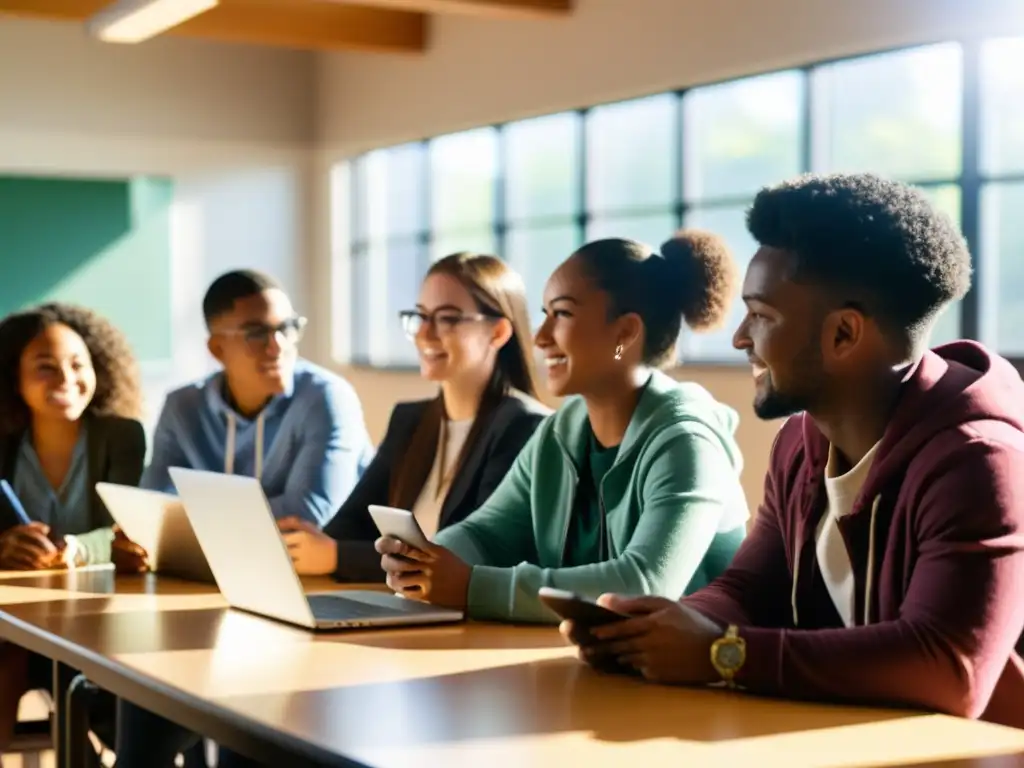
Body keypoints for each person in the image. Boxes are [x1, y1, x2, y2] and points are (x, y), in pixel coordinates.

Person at [565, 173, 1024, 729]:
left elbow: (951, 669)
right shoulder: (799, 443)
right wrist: (653, 629)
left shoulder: (981, 461)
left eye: (761, 315)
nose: (740, 338)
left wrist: (723, 654)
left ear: (844, 335)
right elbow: (750, 588)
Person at [378, 232, 750, 623]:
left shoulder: (687, 442)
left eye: (562, 314)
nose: (539, 338)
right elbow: (485, 534)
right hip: (599, 663)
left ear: (624, 334)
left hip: (694, 676)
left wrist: (470, 586)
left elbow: (644, 584)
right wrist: (428, 561)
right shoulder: (558, 435)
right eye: (544, 314)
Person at [280, 252, 550, 581]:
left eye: (447, 318)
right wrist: (314, 544)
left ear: (497, 333)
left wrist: (336, 557)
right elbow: (348, 528)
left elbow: (475, 557)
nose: (424, 333)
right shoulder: (411, 420)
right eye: (420, 316)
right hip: (400, 607)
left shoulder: (525, 426)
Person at [0, 303, 148, 757]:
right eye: (45, 367)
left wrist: (76, 551)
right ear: (13, 378)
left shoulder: (122, 436)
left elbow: (133, 535)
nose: (66, 378)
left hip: (100, 617)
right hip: (19, 622)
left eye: (78, 364)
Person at [140, 269, 373, 524]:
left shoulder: (327, 397)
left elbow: (307, 517)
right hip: (219, 562)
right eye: (257, 334)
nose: (278, 346)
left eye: (287, 327)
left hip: (327, 562)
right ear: (218, 349)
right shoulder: (182, 407)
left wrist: (196, 520)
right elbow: (156, 509)